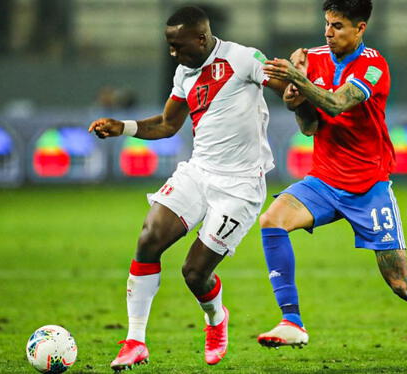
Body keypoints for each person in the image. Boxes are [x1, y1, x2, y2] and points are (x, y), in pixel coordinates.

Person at [255, 0, 407, 372]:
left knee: (400, 282)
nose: (328, 33)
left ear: (360, 28)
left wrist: (297, 80)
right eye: (327, 24)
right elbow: (311, 126)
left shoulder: (374, 66)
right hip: (324, 179)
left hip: (369, 185)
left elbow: (336, 103)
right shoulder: (312, 58)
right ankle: (292, 322)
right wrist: (294, 101)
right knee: (272, 220)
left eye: (339, 26)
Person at [87, 6, 287, 370]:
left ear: (201, 38)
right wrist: (123, 127)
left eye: (178, 46)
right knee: (149, 238)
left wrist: (298, 87)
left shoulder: (243, 59)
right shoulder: (185, 73)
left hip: (240, 186)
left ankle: (216, 319)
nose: (173, 53)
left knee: (194, 273)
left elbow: (285, 87)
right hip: (199, 172)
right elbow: (167, 124)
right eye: (169, 46)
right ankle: (135, 341)